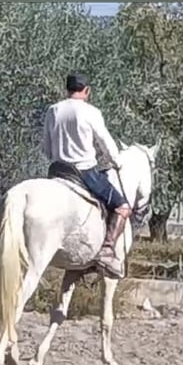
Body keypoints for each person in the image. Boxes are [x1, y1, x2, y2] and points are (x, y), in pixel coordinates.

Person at [41, 73, 132, 278]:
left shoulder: (53, 110)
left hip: (57, 171)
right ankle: (107, 251)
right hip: (84, 173)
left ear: (67, 89)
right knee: (122, 207)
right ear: (87, 90)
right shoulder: (91, 112)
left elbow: (46, 148)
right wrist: (115, 161)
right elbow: (106, 142)